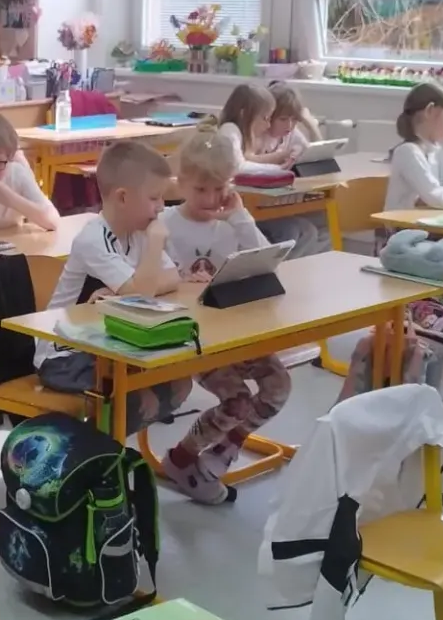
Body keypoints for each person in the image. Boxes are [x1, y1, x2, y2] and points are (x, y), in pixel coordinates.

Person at [154, 128, 293, 504]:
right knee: (237, 401)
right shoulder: (164, 224)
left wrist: (241, 216)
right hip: (195, 338)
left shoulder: (233, 221)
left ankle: (221, 452)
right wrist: (182, 283)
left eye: (219, 188)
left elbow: (269, 259)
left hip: (236, 331)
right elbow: (153, 279)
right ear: (181, 181)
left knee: (279, 386)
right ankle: (183, 458)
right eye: (200, 189)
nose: (210, 198)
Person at [36, 139, 192, 433]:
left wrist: (128, 290)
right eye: (154, 198)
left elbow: (172, 277)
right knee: (139, 397)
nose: (161, 207)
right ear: (123, 197)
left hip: (110, 347)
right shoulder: (94, 239)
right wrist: (152, 252)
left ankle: (103, 446)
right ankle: (95, 450)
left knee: (180, 383)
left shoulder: (138, 231)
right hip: (66, 356)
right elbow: (142, 296)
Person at [219, 83, 323, 255]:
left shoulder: (244, 133)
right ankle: (281, 268)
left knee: (307, 229)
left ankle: (287, 268)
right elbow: (237, 167)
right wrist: (279, 169)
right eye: (265, 118)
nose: (267, 125)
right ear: (245, 114)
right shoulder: (230, 130)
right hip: (235, 208)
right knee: (295, 231)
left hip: (250, 206)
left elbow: (311, 152)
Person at [384, 81, 443, 213]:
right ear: (430, 111)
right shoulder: (408, 152)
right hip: (401, 224)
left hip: (426, 221)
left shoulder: (437, 152)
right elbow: (435, 197)